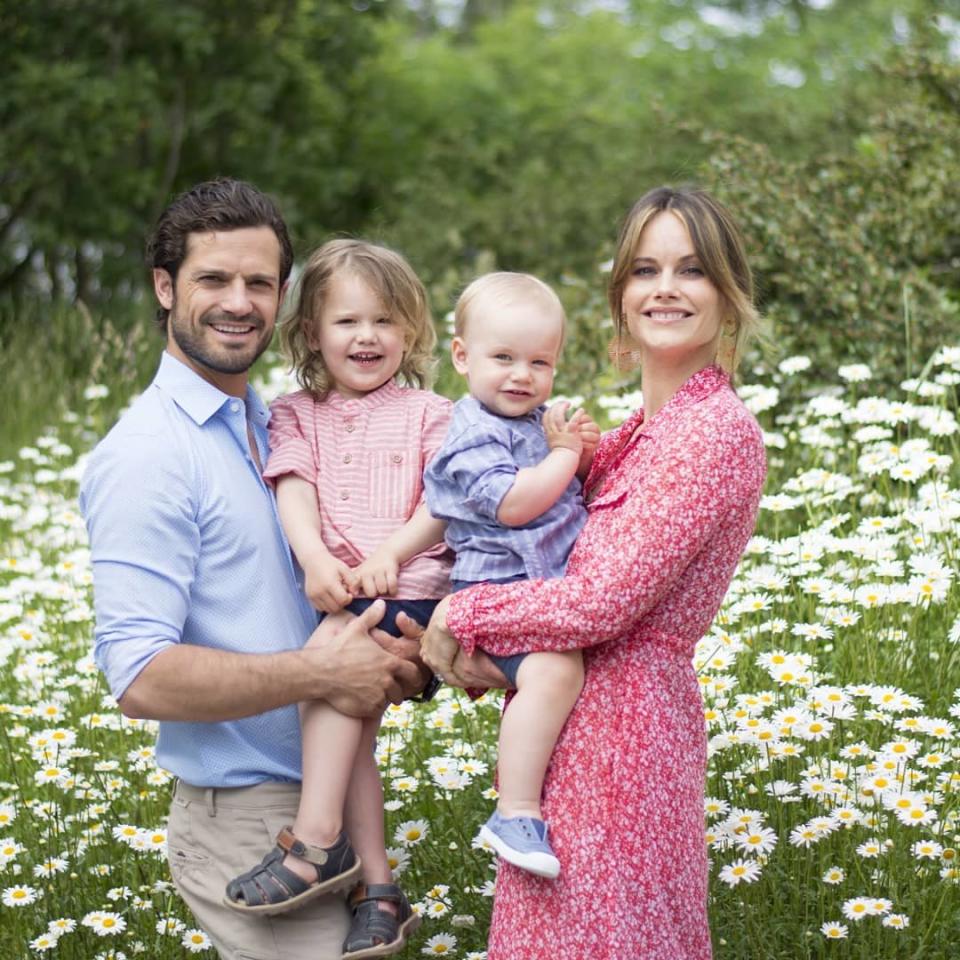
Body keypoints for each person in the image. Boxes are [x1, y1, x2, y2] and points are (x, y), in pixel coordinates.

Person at [80, 179, 428, 960]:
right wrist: (320, 674)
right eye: (213, 279)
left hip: (335, 793)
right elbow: (139, 676)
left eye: (260, 283)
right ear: (165, 288)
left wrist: (392, 661)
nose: (238, 302)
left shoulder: (283, 423)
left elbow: (327, 617)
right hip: (247, 820)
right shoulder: (147, 458)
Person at [421, 186, 767, 960]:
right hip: (575, 731)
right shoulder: (636, 435)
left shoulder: (715, 433)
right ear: (621, 296)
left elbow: (599, 603)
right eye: (645, 269)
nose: (666, 288)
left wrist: (461, 616)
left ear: (728, 291)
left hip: (626, 740)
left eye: (692, 270)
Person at [222, 239, 452, 959]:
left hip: (409, 593)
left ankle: (316, 844)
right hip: (342, 593)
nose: (367, 337)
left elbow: (446, 500)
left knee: (324, 672)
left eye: (385, 321)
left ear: (410, 330)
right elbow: (294, 485)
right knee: (350, 734)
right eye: (347, 321)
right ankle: (378, 891)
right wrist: (314, 557)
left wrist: (390, 554)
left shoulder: (430, 413)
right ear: (312, 333)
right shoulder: (297, 412)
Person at [423, 272, 599, 879]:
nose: (522, 375)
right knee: (554, 671)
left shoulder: (538, 421)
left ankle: (528, 805)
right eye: (503, 358)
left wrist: (585, 451)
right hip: (495, 592)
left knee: (560, 673)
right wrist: (565, 457)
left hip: (540, 587)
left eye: (539, 361)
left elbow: (569, 487)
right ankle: (516, 811)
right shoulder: (471, 434)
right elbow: (515, 504)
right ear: (462, 357)